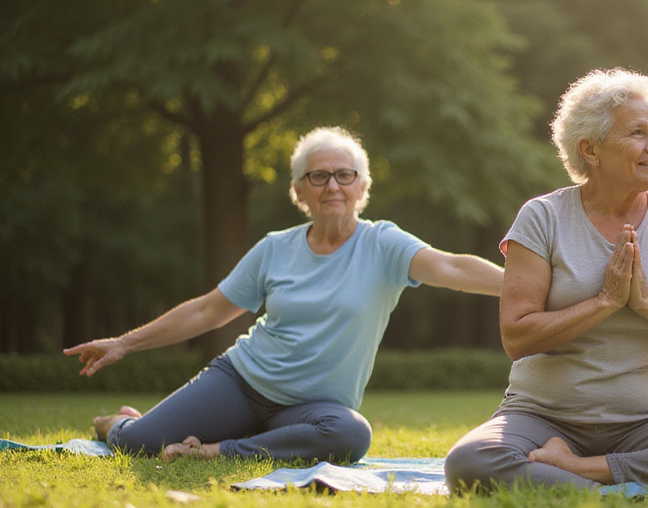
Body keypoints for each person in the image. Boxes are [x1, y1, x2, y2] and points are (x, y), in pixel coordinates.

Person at [64, 126, 504, 463]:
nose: (332, 185)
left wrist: (520, 286)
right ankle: (117, 422)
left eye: (344, 175)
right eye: (318, 176)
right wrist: (123, 343)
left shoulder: (383, 244)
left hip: (312, 410)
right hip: (241, 382)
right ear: (299, 191)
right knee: (138, 444)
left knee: (351, 435)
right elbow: (207, 312)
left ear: (362, 187)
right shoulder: (275, 248)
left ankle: (215, 451)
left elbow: (449, 266)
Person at [444, 69, 648, 493]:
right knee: (472, 462)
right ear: (590, 149)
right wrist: (603, 302)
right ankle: (614, 478)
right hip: (542, 419)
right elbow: (517, 336)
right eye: (638, 133)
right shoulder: (542, 218)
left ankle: (583, 474)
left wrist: (646, 305)